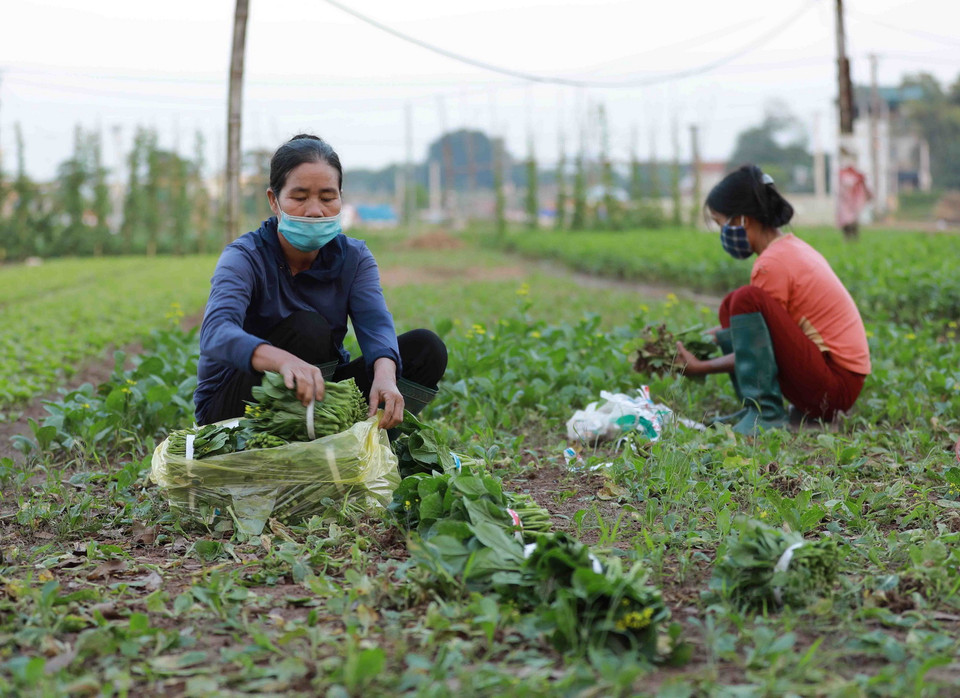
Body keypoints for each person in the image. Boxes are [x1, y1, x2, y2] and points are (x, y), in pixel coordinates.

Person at [194, 134, 447, 430]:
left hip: (318, 392)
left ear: (340, 197)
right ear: (274, 201)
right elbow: (215, 332)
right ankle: (291, 448)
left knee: (425, 349)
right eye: (299, 198)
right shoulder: (245, 256)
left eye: (327, 198)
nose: (315, 210)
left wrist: (385, 375)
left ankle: (360, 444)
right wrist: (283, 361)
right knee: (308, 329)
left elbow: (375, 323)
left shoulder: (354, 257)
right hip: (237, 406)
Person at [675, 165, 871, 435]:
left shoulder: (772, 264)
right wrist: (698, 341)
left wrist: (702, 367)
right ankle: (753, 405)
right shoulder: (789, 248)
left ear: (743, 220)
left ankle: (766, 414)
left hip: (834, 389)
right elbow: (765, 338)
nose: (723, 234)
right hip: (840, 383)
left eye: (722, 224)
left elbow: (761, 350)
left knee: (745, 300)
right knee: (732, 305)